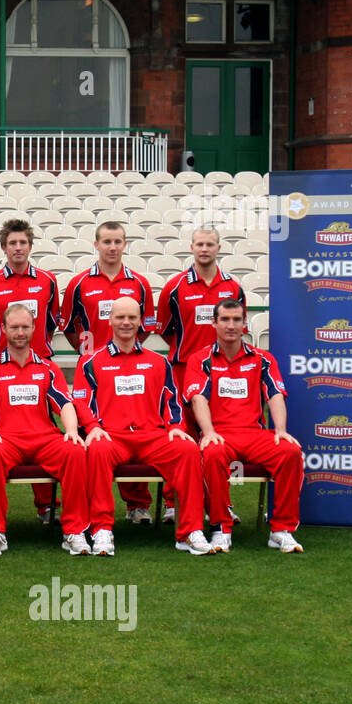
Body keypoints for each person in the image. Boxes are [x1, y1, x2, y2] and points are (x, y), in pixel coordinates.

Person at [73, 297, 212, 556]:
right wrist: (92, 427)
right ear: (110, 320)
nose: (126, 323)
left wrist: (176, 427)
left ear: (140, 322)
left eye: (132, 318)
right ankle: (102, 529)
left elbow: (172, 400)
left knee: (187, 449)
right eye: (120, 317)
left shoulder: (158, 361)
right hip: (112, 436)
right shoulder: (91, 361)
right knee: (97, 449)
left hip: (152, 436)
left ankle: (190, 531)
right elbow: (81, 401)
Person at [183, 299, 304, 553]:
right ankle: (221, 529)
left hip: (254, 434)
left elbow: (275, 394)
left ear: (244, 323)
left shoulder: (262, 358)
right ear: (214, 323)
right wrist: (208, 433)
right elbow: (198, 399)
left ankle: (281, 530)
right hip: (220, 435)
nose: (231, 325)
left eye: (236, 320)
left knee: (290, 452)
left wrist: (280, 430)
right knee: (211, 453)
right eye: (225, 320)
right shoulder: (200, 359)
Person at [0, 304, 90, 555]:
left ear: (34, 328)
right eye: (14, 327)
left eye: (25, 327)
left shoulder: (48, 368)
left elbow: (65, 403)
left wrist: (71, 430)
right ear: (3, 329)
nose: (20, 332)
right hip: (8, 440)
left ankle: (74, 531)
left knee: (75, 451)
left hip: (45, 440)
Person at [60, 220, 157, 524]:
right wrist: (88, 352)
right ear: (96, 244)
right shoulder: (79, 283)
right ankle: (90, 505)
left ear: (125, 244)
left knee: (135, 429)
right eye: (106, 242)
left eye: (118, 242)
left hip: (129, 369)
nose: (112, 247)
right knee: (94, 437)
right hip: (93, 371)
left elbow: (145, 327)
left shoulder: (139, 283)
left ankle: (137, 504)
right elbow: (68, 325)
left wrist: (129, 351)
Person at [0, 218, 64, 521]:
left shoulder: (48, 281)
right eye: (12, 243)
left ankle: (46, 505)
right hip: (2, 373)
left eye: (23, 242)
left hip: (39, 371)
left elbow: (49, 324)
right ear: (3, 247)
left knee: (42, 430)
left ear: (30, 246)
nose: (18, 248)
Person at [155, 226, 247, 523]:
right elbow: (166, 329)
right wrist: (189, 354)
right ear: (191, 247)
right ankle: (173, 502)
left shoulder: (233, 287)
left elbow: (238, 326)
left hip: (222, 371)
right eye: (199, 244)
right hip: (182, 369)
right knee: (181, 435)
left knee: (216, 436)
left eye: (209, 244)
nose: (204, 249)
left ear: (219, 248)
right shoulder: (175, 286)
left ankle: (221, 502)